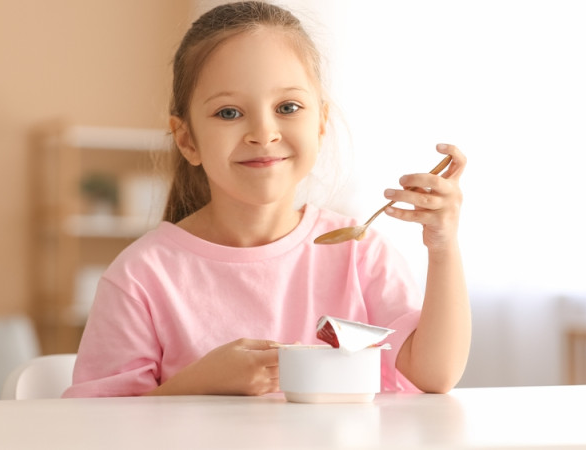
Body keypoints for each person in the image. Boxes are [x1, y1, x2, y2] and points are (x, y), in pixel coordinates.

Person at [63, 1, 469, 398]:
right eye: (228, 113)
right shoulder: (140, 276)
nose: (263, 132)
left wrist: (443, 246)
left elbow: (434, 376)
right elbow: (97, 426)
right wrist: (200, 383)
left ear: (321, 122)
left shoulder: (358, 254)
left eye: (287, 107)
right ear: (187, 140)